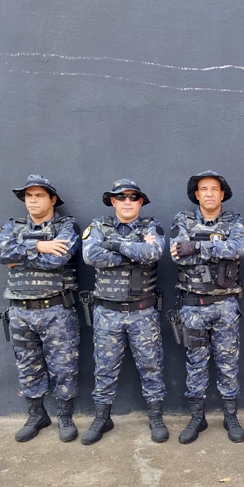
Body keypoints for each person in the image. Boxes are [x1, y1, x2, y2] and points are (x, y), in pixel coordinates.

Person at [0, 175, 80, 443]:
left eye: (39, 195)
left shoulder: (66, 226)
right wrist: (39, 245)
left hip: (56, 310)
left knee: (63, 367)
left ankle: (65, 416)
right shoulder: (12, 225)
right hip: (20, 311)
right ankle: (36, 415)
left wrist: (18, 257)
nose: (32, 200)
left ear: (52, 199)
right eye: (28, 196)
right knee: (27, 365)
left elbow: (58, 259)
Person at [81, 179, 167, 445]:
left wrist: (113, 245)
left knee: (151, 366)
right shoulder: (98, 226)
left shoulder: (151, 226)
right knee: (104, 368)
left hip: (143, 312)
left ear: (140, 202)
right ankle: (102, 418)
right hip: (108, 313)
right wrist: (134, 252)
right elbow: (91, 255)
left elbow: (153, 252)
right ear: (112, 201)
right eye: (121, 197)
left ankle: (156, 417)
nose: (127, 202)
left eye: (133, 197)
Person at [169, 171, 244, 444]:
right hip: (193, 305)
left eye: (215, 189)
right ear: (197, 194)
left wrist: (195, 246)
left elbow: (237, 250)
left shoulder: (236, 221)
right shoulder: (182, 220)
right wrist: (216, 246)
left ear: (222, 194)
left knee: (228, 363)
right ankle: (197, 417)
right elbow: (179, 255)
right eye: (204, 189)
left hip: (225, 305)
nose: (210, 193)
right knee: (195, 364)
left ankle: (230, 416)